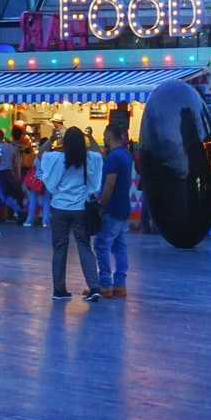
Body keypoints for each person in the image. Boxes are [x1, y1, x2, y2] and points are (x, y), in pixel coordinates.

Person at [40, 125, 104, 302]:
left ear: (65, 142)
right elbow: (99, 154)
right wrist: (89, 137)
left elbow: (41, 154)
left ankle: (59, 290)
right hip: (80, 209)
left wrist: (52, 138)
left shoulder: (57, 158)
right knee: (84, 246)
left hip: (59, 208)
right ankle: (94, 287)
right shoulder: (89, 159)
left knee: (60, 248)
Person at [94, 124, 133, 296]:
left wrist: (101, 204)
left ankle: (105, 284)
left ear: (109, 136)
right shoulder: (126, 155)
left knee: (101, 244)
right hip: (124, 207)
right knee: (120, 246)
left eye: (104, 136)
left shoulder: (114, 158)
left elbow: (109, 184)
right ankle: (120, 284)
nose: (104, 139)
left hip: (112, 208)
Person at [0, 127, 22, 223]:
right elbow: (15, 162)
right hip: (9, 172)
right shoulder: (10, 147)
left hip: (0, 173)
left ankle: (19, 210)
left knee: (4, 195)